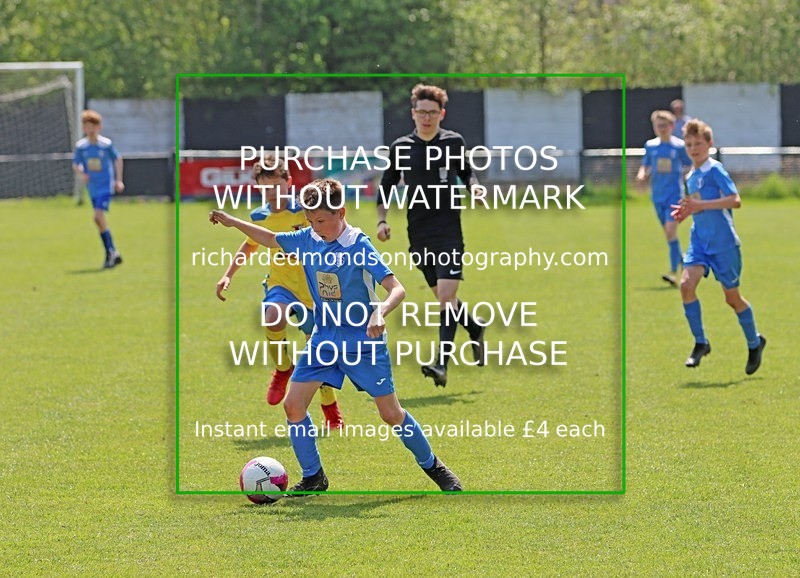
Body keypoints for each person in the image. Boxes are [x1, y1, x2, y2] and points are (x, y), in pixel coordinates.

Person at [210, 178, 462, 493]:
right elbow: (272, 238)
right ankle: (314, 477)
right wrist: (231, 221)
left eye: (320, 221)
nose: (314, 227)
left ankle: (434, 467)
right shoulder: (308, 238)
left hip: (363, 343)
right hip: (324, 339)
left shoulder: (358, 244)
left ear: (340, 212)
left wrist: (380, 312)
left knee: (390, 414)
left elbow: (397, 289)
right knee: (293, 405)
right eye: (309, 221)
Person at [215, 157, 343, 429]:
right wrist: (228, 274)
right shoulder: (261, 216)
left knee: (316, 350)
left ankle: (330, 407)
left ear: (288, 183)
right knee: (272, 316)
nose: (272, 192)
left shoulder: (305, 210)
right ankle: (283, 369)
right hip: (281, 284)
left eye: (277, 186)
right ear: (258, 187)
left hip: (313, 290)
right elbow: (250, 245)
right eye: (266, 188)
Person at [377, 83, 485, 388]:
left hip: (449, 228)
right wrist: (382, 221)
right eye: (422, 112)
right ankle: (475, 327)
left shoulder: (453, 142)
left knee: (447, 297)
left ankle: (441, 363)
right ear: (413, 114)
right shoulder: (401, 147)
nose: (427, 117)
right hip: (418, 232)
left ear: (442, 114)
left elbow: (467, 172)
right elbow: (386, 185)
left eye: (432, 112)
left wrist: (474, 187)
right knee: (443, 296)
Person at [670, 119, 766, 374]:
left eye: (698, 143)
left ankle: (755, 343)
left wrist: (700, 206)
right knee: (686, 285)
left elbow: (735, 201)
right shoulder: (689, 175)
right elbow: (695, 205)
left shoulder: (715, 170)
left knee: (732, 299)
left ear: (709, 144)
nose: (693, 148)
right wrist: (685, 211)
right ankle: (701, 343)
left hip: (724, 244)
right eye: (689, 144)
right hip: (699, 242)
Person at [636, 110, 693, 286]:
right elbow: (645, 165)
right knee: (670, 236)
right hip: (657, 196)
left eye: (664, 125)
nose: (661, 128)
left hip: (674, 195)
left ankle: (673, 272)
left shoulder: (679, 146)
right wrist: (641, 175)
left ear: (672, 126)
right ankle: (685, 263)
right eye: (657, 125)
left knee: (670, 231)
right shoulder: (650, 146)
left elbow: (690, 164)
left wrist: (688, 178)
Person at [72, 109, 124, 269]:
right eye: (86, 126)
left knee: (97, 217)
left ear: (98, 126)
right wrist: (82, 174)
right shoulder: (81, 146)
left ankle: (110, 252)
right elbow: (76, 164)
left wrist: (118, 180)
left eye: (92, 126)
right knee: (99, 221)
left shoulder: (106, 144)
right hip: (92, 188)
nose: (90, 129)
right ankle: (113, 252)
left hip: (105, 186)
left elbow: (118, 159)